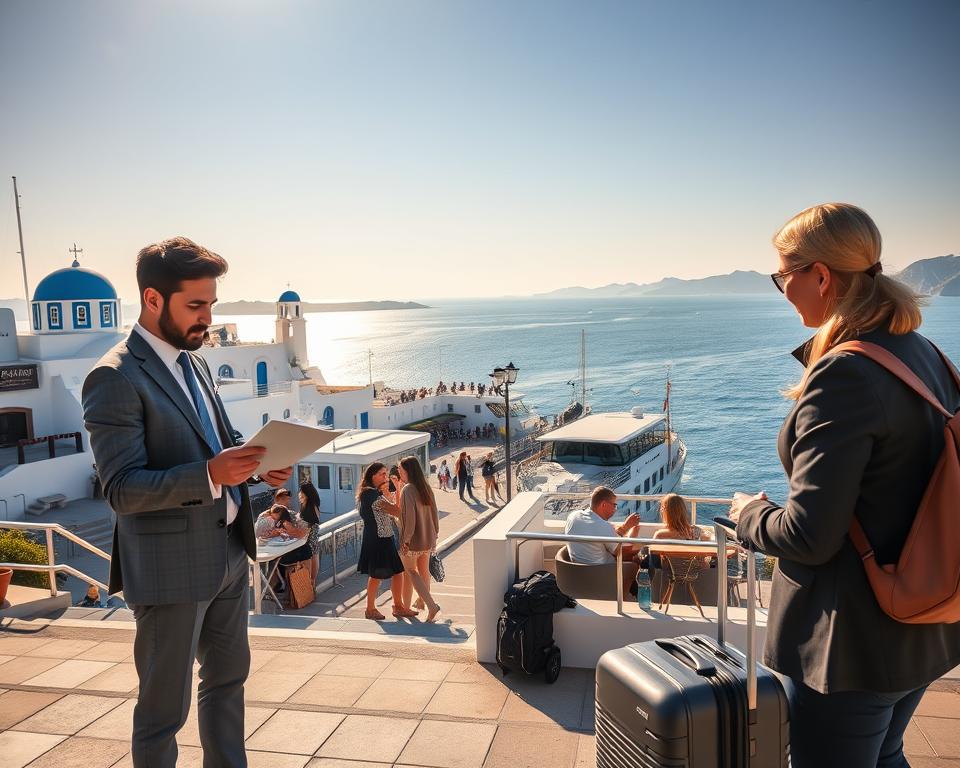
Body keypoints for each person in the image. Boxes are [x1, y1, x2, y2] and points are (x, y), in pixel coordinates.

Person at [727, 203, 960, 768]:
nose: (782, 290)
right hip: (922, 621)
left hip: (850, 644)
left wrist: (748, 516)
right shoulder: (924, 354)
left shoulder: (846, 372)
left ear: (822, 276)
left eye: (783, 276)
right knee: (885, 756)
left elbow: (811, 536)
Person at [82, 236, 292, 768]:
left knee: (228, 686)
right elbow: (121, 489)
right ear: (153, 300)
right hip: (169, 568)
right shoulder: (113, 377)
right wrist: (208, 474)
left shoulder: (193, 361)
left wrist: (257, 461)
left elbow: (217, 439)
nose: (207, 318)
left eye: (212, 305)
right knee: (162, 713)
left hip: (227, 552)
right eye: (195, 306)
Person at [356, 462, 412, 620]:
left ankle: (398, 606)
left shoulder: (373, 493)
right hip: (378, 539)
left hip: (384, 537)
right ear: (372, 475)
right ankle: (370, 609)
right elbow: (397, 511)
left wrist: (389, 493)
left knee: (397, 572)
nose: (385, 477)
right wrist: (399, 488)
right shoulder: (369, 494)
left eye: (386, 474)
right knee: (376, 575)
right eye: (382, 474)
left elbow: (391, 510)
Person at [564, 486, 642, 595]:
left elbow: (602, 534)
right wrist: (632, 531)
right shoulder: (602, 526)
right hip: (600, 572)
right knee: (637, 560)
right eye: (614, 505)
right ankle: (623, 600)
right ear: (603, 504)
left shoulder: (573, 516)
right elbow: (623, 552)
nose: (615, 509)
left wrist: (625, 528)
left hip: (577, 571)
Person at [397, 456, 442, 622]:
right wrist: (435, 533)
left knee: (411, 572)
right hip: (428, 538)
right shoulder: (425, 487)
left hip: (414, 540)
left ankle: (431, 605)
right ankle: (422, 602)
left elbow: (409, 520)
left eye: (400, 469)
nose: (398, 472)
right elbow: (434, 513)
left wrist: (405, 541)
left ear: (407, 470)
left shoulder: (408, 490)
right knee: (424, 571)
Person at [298, 481, 323, 583]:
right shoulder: (314, 504)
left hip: (307, 541)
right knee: (315, 559)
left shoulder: (307, 509)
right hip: (314, 539)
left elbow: (304, 530)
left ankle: (308, 585)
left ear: (305, 493)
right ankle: (312, 584)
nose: (299, 494)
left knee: (308, 564)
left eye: (301, 492)